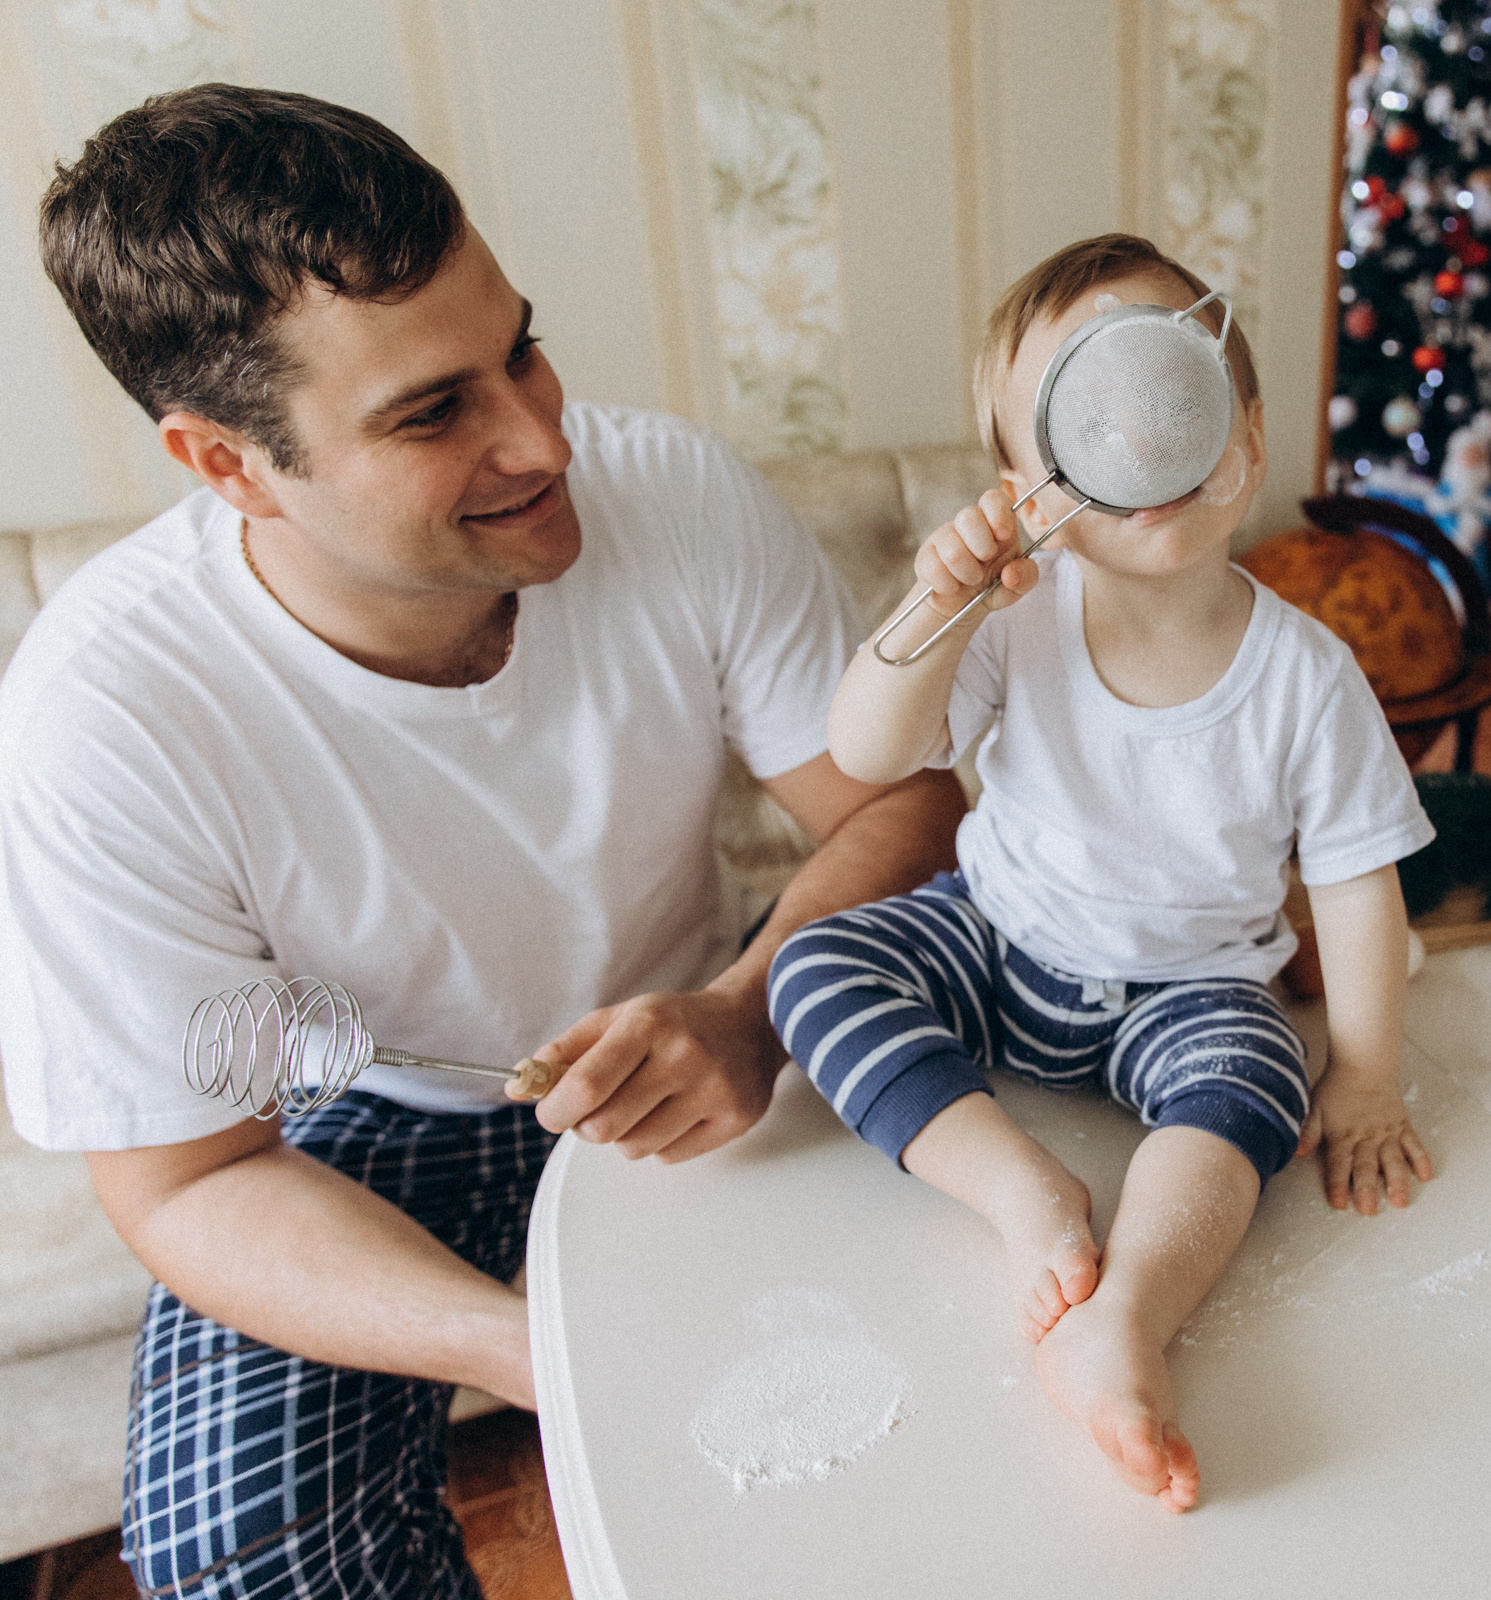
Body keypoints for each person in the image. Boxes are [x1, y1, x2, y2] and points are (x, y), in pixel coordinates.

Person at [2, 85, 964, 1597]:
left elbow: (906, 802)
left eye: (518, 344)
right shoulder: (99, 718)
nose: (542, 435)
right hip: (359, 1121)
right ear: (227, 466)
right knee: (242, 1561)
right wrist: (532, 1347)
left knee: (966, 1393)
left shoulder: (679, 493)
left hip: (704, 1027)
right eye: (434, 410)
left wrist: (750, 1006)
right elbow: (187, 1181)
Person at [767, 234, 1437, 1513]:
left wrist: (1365, 1074)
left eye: (1166, 396)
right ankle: (1023, 1191)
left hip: (1191, 985)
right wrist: (937, 605)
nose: (1136, 440)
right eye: (1089, 421)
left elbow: (1356, 883)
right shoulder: (1013, 623)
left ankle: (1124, 1313)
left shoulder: (1306, 675)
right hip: (998, 934)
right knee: (814, 965)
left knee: (1255, 1085)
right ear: (1029, 488)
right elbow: (866, 749)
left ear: (1241, 439)